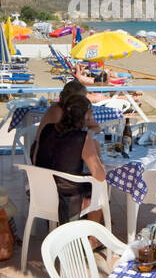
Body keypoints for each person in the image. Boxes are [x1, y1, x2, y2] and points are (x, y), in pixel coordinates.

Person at [32, 94, 107, 227]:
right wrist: (98, 155)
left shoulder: (47, 129)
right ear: (85, 116)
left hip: (41, 193)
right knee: (99, 186)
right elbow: (100, 175)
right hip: (65, 199)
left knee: (86, 182)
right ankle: (93, 239)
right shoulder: (82, 138)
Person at [34, 80, 101, 161]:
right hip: (47, 155)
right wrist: (87, 141)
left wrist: (89, 134)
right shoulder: (57, 111)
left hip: (62, 152)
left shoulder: (76, 111)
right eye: (83, 98)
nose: (84, 102)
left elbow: (96, 127)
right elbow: (61, 142)